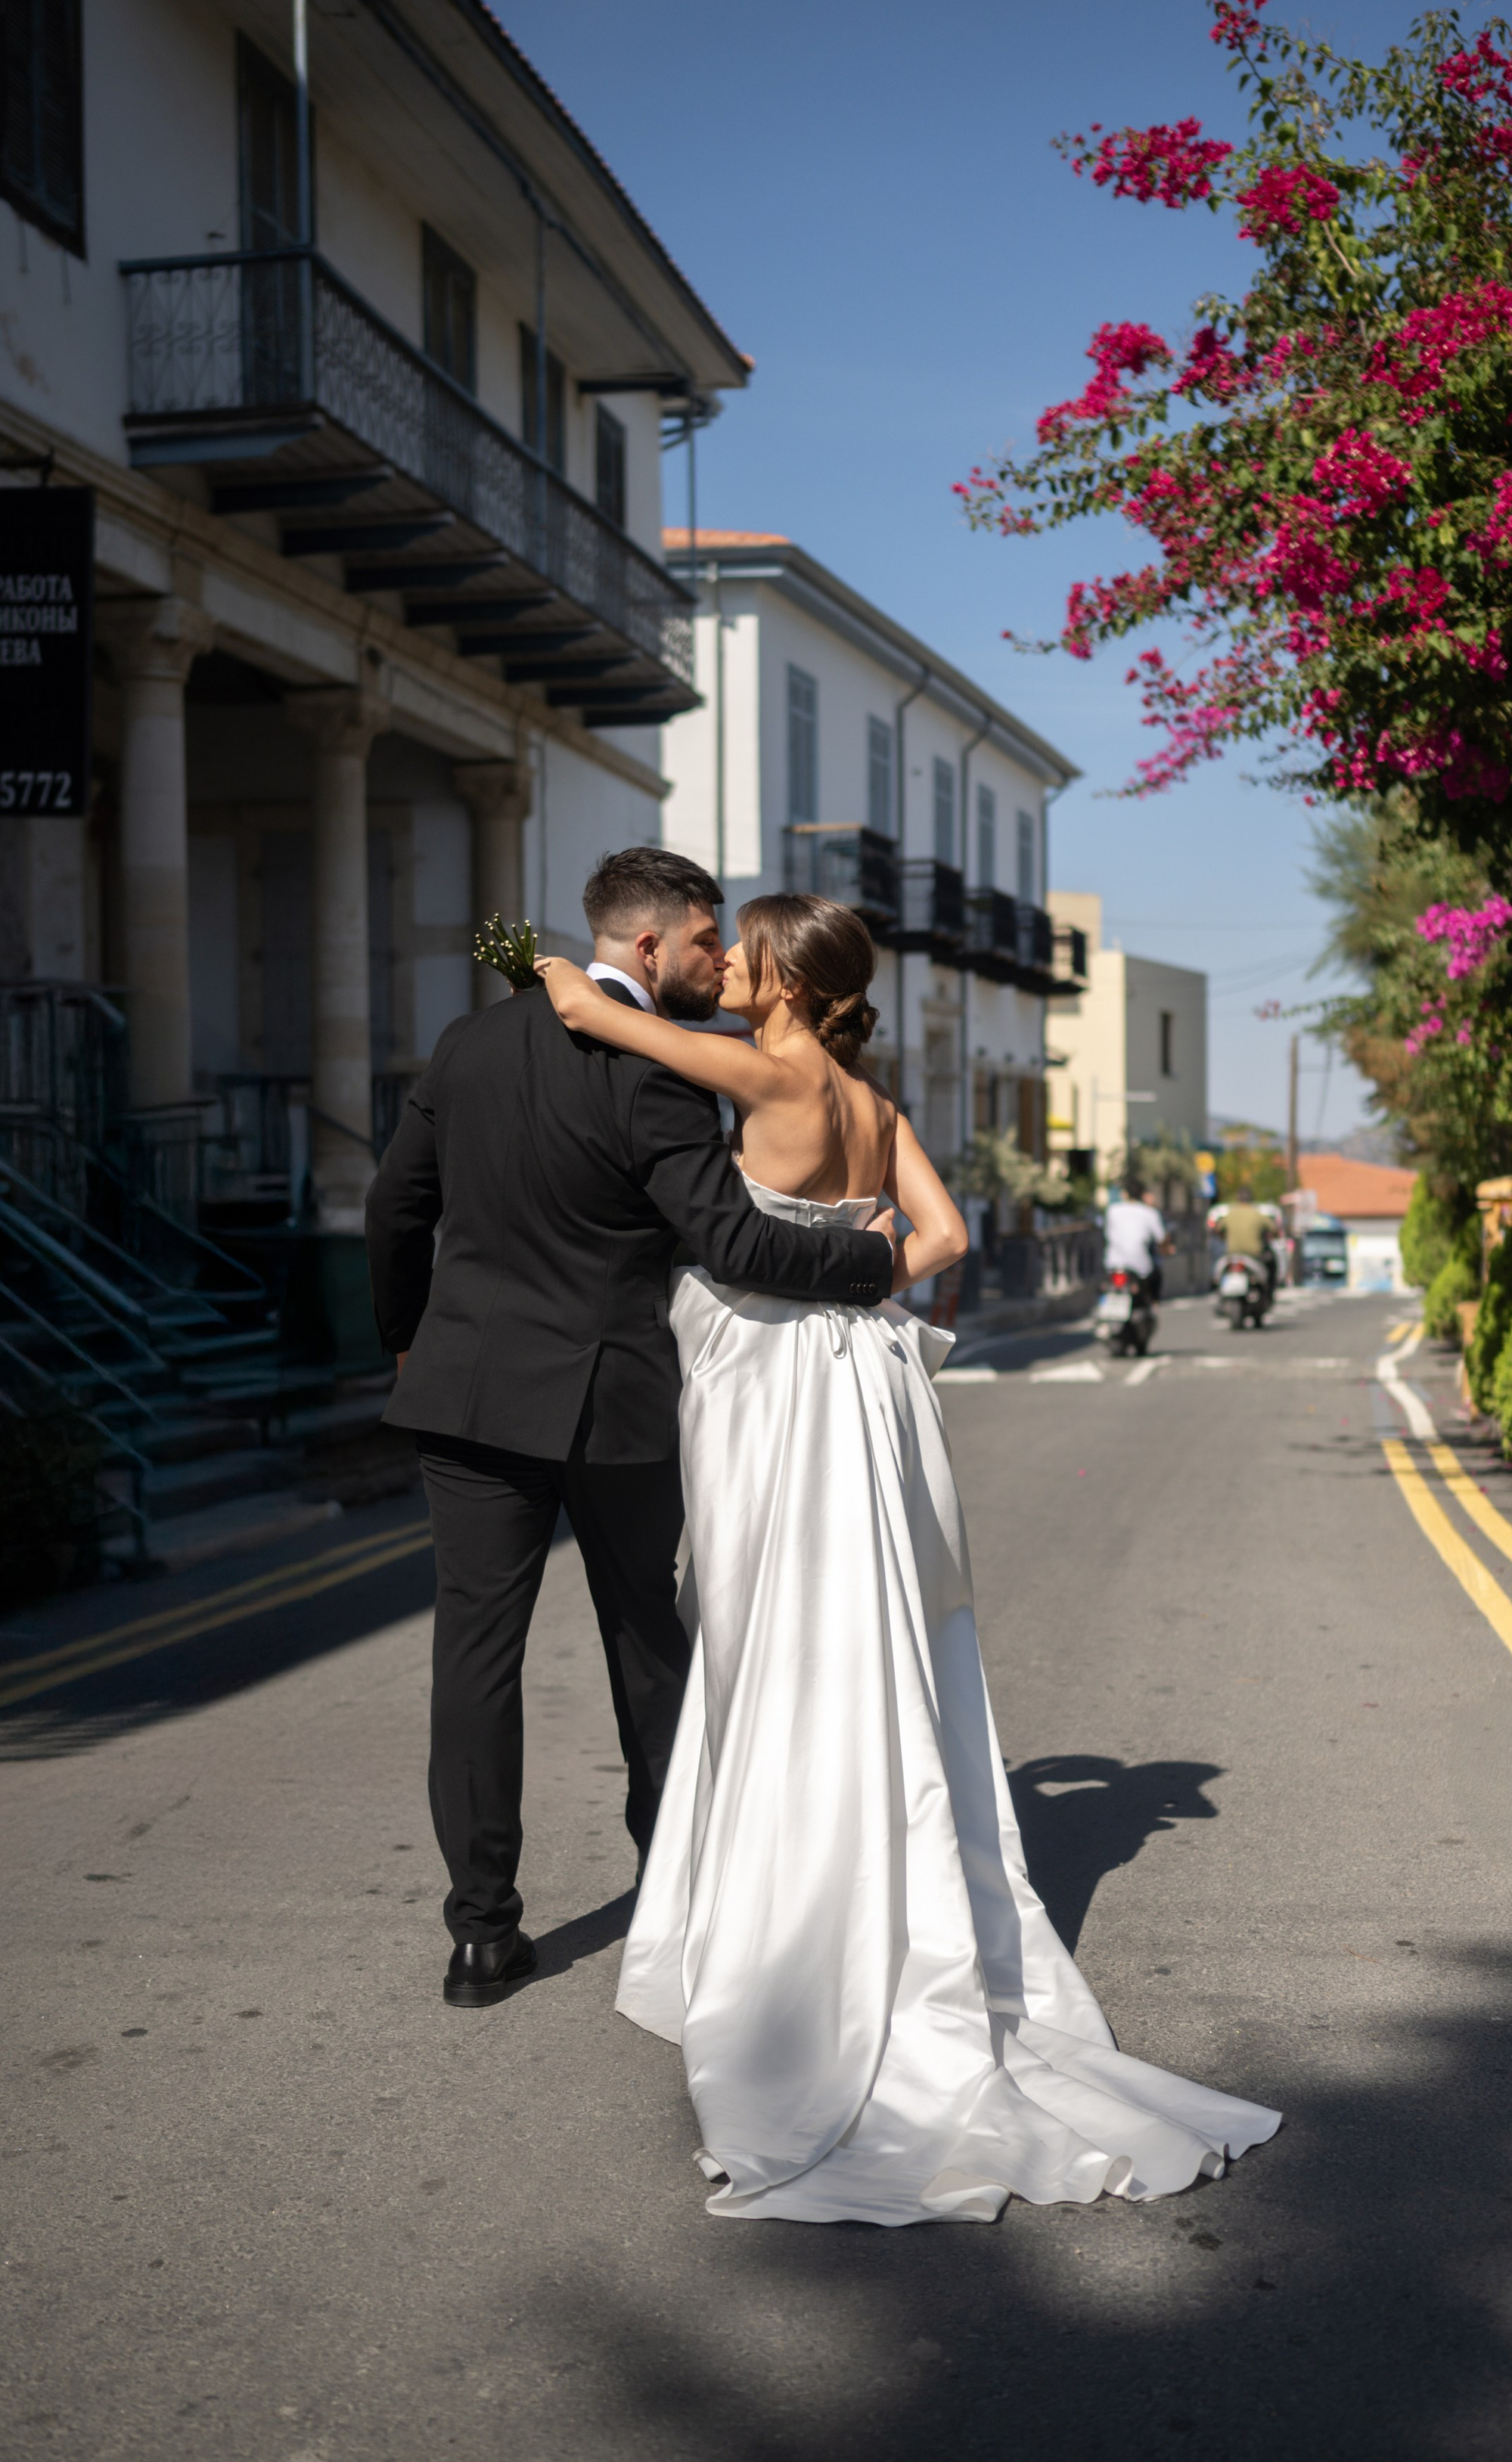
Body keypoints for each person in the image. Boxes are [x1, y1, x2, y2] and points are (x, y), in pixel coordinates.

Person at [537, 893, 1280, 2224]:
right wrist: (856, 1248)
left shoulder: (770, 1066)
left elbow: (596, 1012)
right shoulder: (875, 1108)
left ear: (783, 978)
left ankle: (787, 1923)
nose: (729, 966)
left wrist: (528, 957)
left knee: (773, 1640)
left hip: (774, 1377)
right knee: (879, 1637)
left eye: (744, 949)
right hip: (874, 1386)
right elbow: (933, 1243)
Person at [365, 847, 896, 2011]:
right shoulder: (659, 1076)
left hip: (466, 1395)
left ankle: (480, 1937)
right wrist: (877, 1259)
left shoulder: (467, 1044)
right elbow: (736, 1244)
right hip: (611, 1402)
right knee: (651, 1655)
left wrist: (406, 1333)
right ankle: (673, 1899)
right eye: (711, 939)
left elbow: (395, 1207)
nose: (724, 959)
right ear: (649, 947)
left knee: (473, 1660)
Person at [1103, 1172, 1169, 1317]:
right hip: (1140, 1266)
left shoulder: (1112, 1211)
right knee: (1156, 1276)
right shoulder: (1149, 1213)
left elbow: (1107, 1234)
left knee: (1105, 1286)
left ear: (1125, 1194)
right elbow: (1161, 1239)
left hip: (1113, 1263)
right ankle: (1153, 1306)